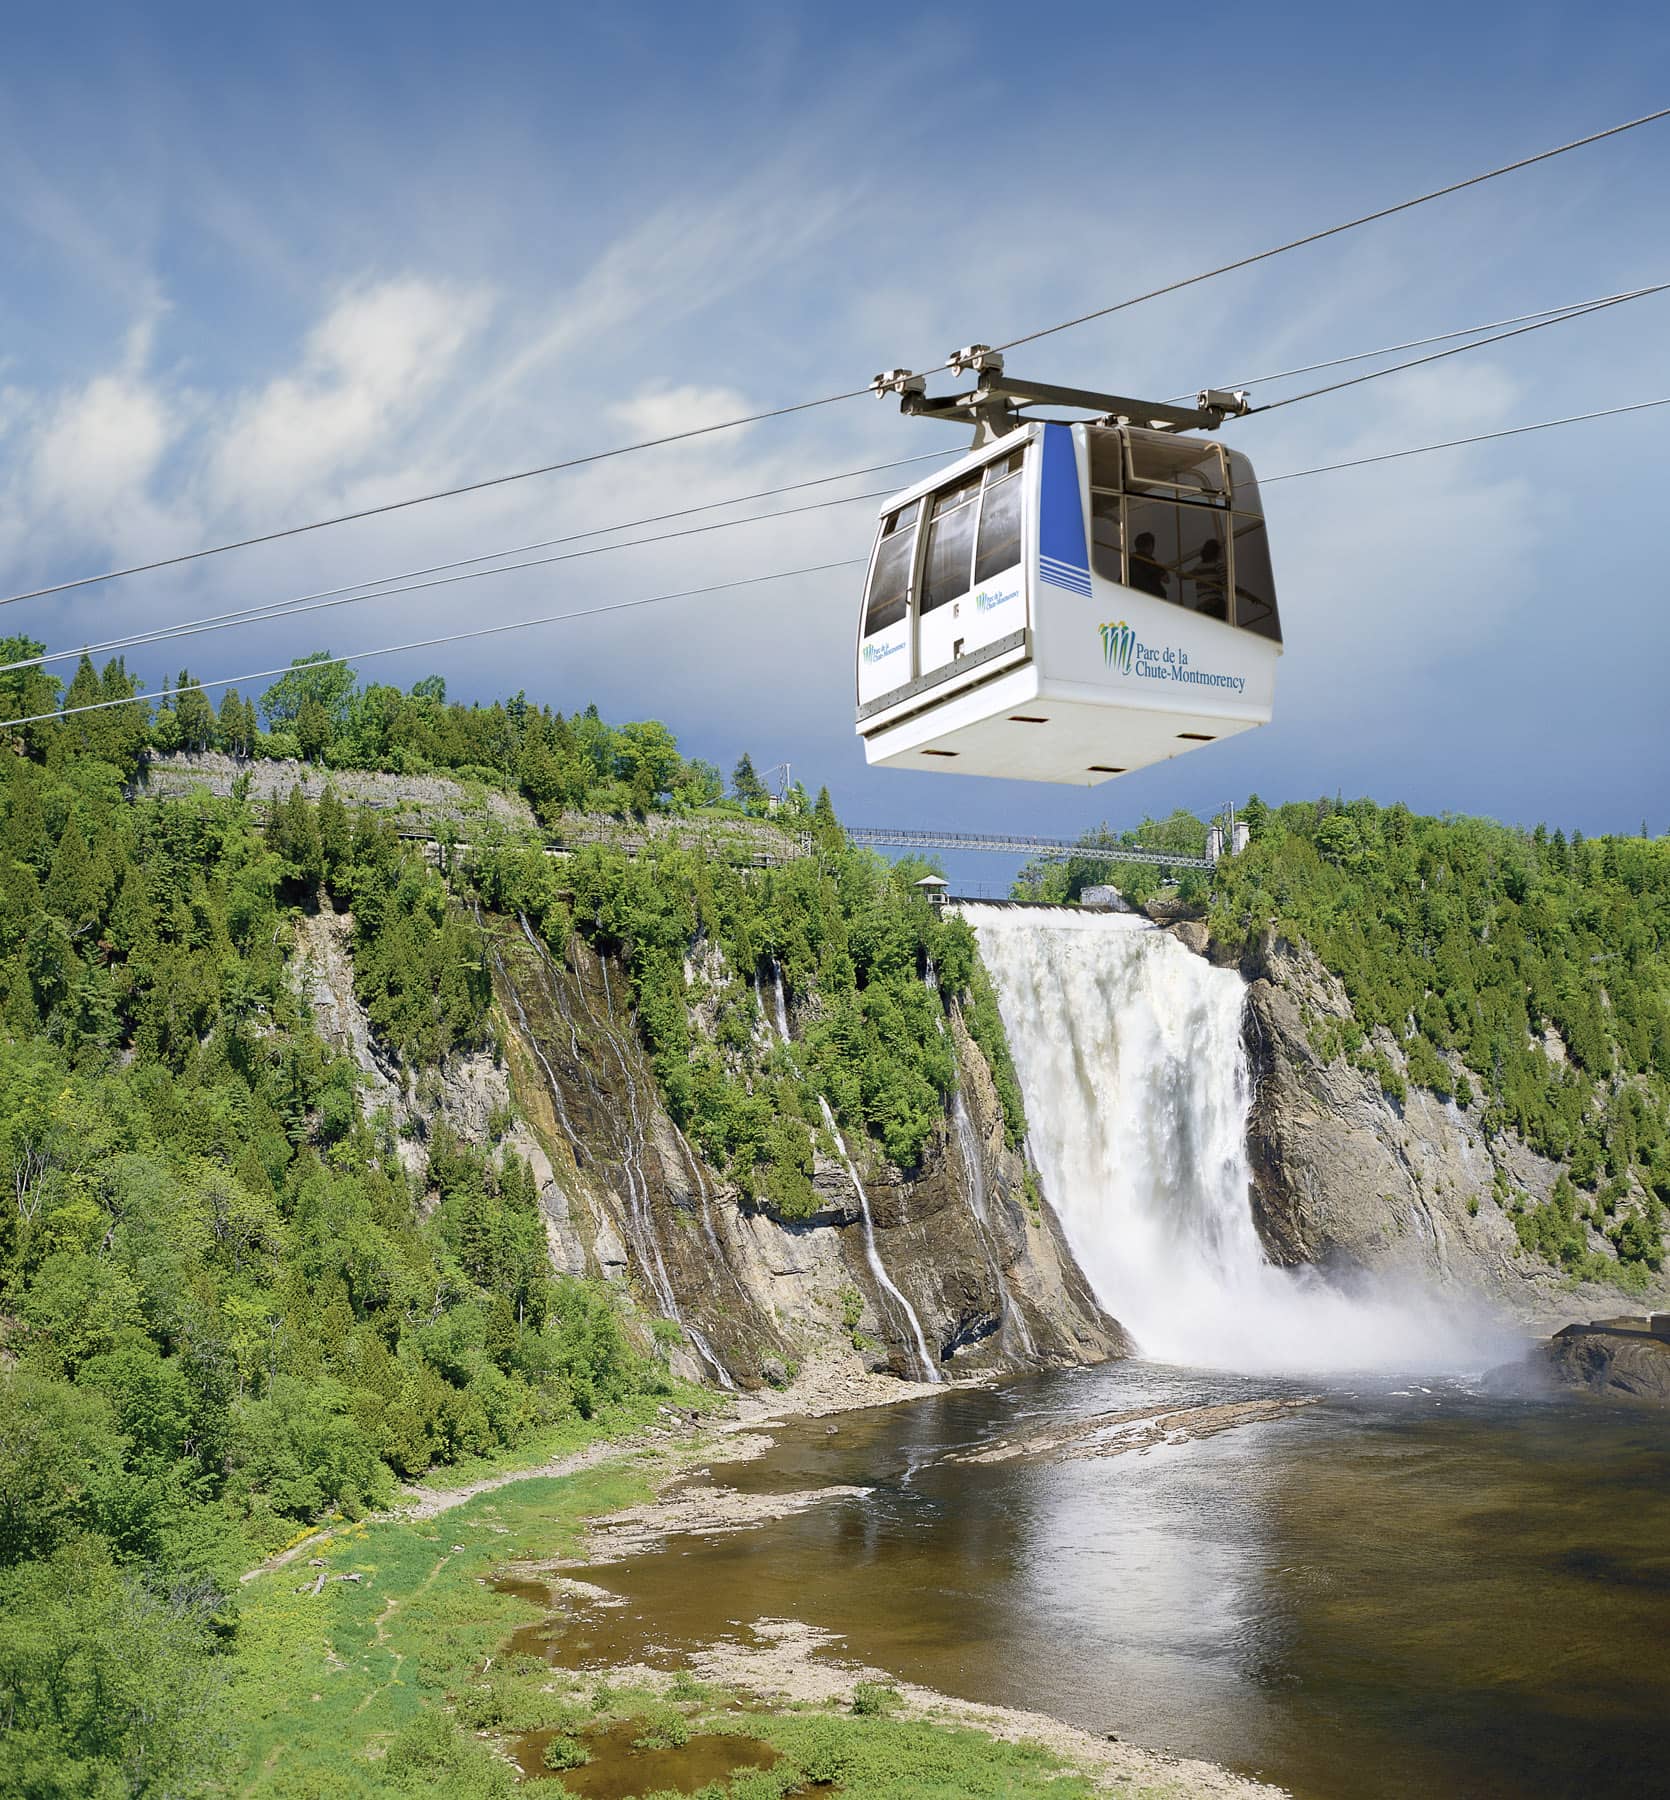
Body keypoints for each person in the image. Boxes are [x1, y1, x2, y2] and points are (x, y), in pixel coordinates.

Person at [1189, 538, 1228, 620]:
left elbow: (1186, 575)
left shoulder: (1199, 567)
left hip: (1202, 606)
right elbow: (1227, 585)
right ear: (1216, 552)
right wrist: (1246, 594)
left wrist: (1179, 575)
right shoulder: (1218, 566)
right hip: (1215, 604)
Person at [1128, 530, 1169, 598]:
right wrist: (1164, 569)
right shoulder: (1148, 560)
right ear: (1150, 546)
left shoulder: (1130, 560)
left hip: (1131, 596)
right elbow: (1166, 579)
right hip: (1149, 597)